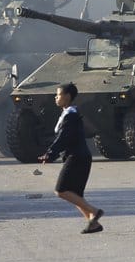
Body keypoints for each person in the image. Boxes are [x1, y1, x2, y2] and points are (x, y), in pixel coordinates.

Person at [38, 83, 104, 234]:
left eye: (59, 94)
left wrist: (49, 154)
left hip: (77, 157)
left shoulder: (71, 115)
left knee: (61, 190)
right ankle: (92, 222)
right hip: (80, 156)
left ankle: (94, 211)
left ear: (67, 97)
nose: (56, 97)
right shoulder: (68, 113)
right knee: (75, 194)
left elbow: (63, 138)